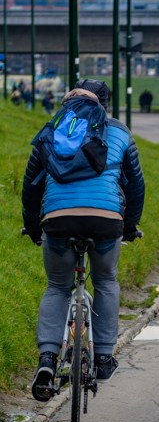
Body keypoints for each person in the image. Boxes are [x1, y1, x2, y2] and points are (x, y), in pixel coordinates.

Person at [22, 78, 145, 400]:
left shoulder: (52, 130)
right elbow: (135, 185)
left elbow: (31, 186)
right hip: (105, 220)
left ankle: (47, 359)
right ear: (104, 104)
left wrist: (33, 227)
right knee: (105, 281)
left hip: (58, 221)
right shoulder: (120, 133)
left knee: (57, 287)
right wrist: (129, 226)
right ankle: (103, 356)